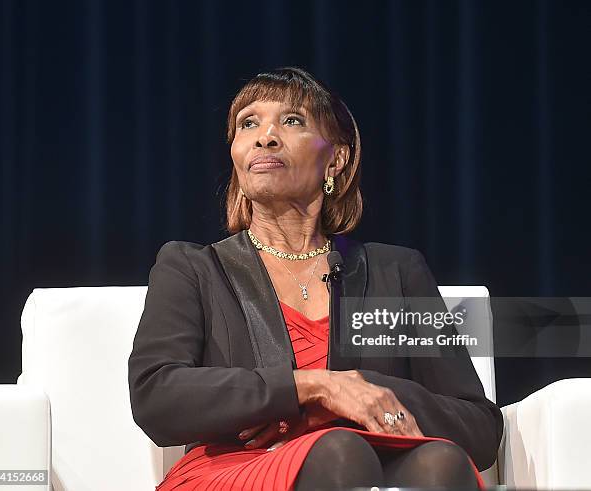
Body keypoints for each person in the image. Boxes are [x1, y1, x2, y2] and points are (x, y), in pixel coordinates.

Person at [128, 67, 503, 490]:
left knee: (441, 462)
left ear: (336, 159)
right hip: (234, 470)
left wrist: (359, 391)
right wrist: (312, 387)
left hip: (367, 462)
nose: (264, 136)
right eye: (248, 123)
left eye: (291, 121)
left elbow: (479, 429)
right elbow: (155, 395)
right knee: (339, 450)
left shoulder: (396, 272)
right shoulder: (192, 267)